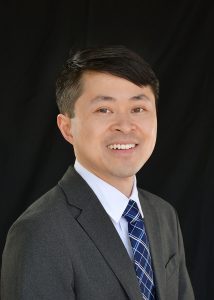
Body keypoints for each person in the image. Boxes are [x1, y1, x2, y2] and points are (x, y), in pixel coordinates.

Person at [1, 45, 195, 300]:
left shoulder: (164, 215)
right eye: (104, 110)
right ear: (67, 127)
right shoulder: (38, 233)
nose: (125, 126)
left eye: (138, 109)